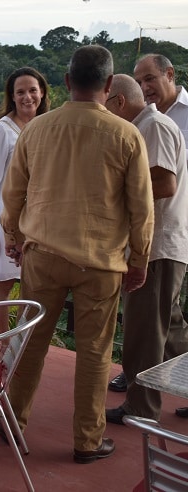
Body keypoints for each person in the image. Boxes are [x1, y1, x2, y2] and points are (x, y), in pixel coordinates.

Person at [1, 45, 154, 464]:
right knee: (94, 352)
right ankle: (87, 440)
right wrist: (138, 261)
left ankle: (12, 419)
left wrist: (13, 234)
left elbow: (12, 193)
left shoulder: (36, 129)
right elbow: (142, 209)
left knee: (31, 340)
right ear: (108, 85)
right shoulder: (127, 135)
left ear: (66, 82)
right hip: (100, 262)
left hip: (43, 254)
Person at [102, 74, 188, 425]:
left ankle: (142, 407)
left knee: (144, 332)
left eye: (106, 106)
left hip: (158, 245)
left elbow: (165, 183)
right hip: (164, 245)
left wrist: (115, 194)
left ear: (119, 102)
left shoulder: (152, 126)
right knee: (172, 330)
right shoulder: (152, 125)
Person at [0, 67, 50, 334]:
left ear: (42, 93)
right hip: (3, 217)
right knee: (4, 283)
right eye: (20, 92)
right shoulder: (3, 130)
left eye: (32, 90)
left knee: (31, 282)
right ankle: (5, 341)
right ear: (12, 96)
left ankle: (22, 340)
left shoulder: (46, 127)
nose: (27, 97)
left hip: (36, 217)